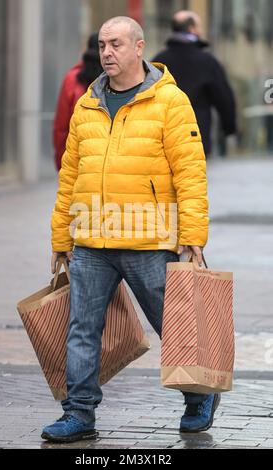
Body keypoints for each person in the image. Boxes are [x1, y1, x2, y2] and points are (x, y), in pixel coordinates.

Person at [42, 16, 219, 444]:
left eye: (117, 44)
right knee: (82, 327)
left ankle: (199, 396)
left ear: (140, 48)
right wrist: (61, 238)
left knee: (173, 325)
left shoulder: (170, 101)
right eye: (103, 45)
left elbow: (190, 173)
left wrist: (193, 236)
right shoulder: (88, 103)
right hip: (91, 240)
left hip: (148, 238)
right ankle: (79, 412)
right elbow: (70, 176)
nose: (107, 53)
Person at [152, 10, 237, 157]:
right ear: (192, 28)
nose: (201, 30)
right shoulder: (207, 61)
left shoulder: (159, 60)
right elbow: (223, 96)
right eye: (199, 26)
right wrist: (229, 127)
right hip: (197, 133)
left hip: (163, 134)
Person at [53, 33, 103, 171]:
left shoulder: (72, 79)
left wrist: (61, 163)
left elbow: (61, 127)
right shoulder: (115, 78)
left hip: (77, 157)